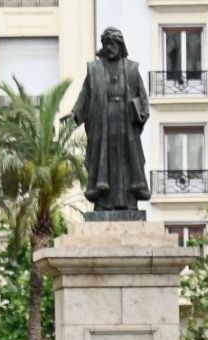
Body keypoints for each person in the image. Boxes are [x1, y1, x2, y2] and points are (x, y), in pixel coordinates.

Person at [69, 28, 152, 212]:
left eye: (113, 43)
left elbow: (143, 98)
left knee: (127, 161)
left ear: (120, 46)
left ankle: (129, 202)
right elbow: (85, 95)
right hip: (102, 122)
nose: (109, 47)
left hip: (126, 122)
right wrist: (74, 114)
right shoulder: (94, 69)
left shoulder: (131, 68)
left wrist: (141, 112)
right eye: (106, 44)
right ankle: (103, 203)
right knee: (103, 161)